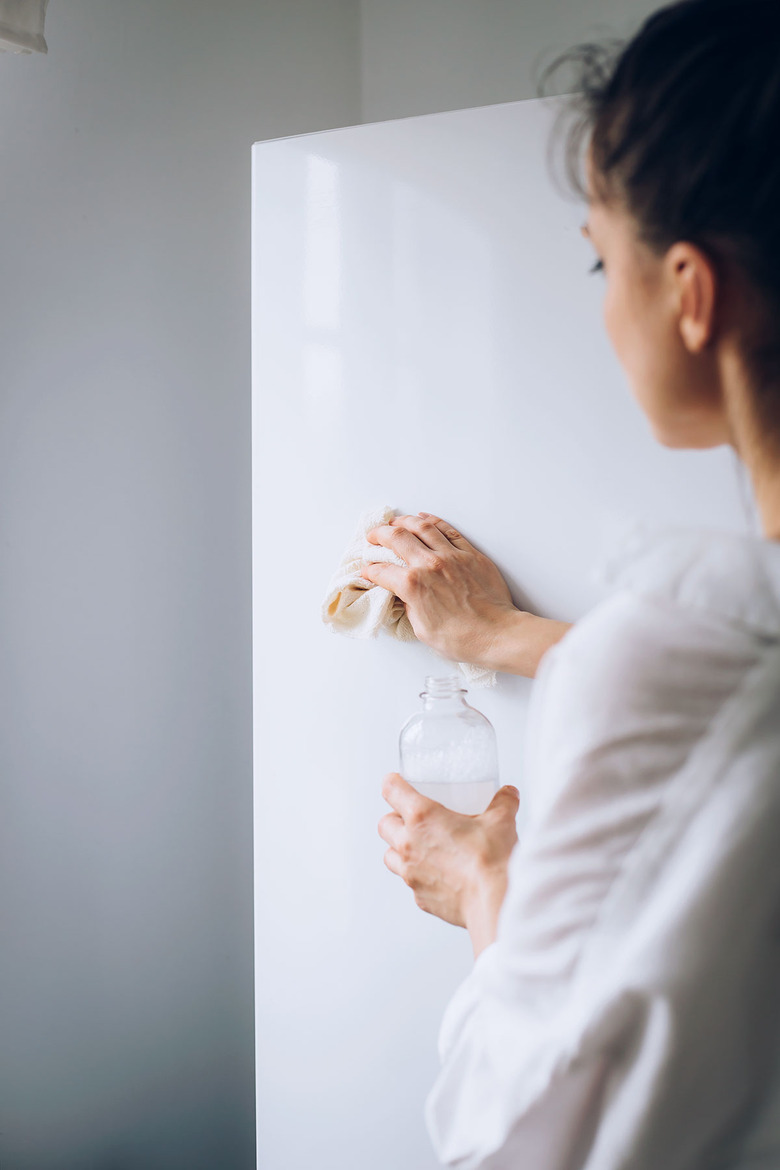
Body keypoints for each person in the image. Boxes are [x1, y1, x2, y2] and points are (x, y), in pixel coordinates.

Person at [359, 1, 780, 1166]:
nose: (602, 304)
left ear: (691, 294)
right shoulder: (697, 657)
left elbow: (526, 1141)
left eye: (604, 258)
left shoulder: (672, 664)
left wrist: (485, 883)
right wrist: (501, 635)